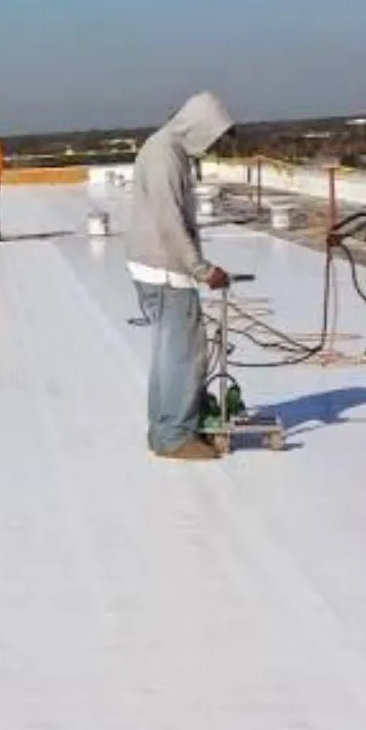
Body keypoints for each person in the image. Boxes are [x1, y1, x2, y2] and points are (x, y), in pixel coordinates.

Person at [125, 91, 234, 461]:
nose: (213, 144)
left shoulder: (167, 150)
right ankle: (175, 436)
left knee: (168, 353)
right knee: (184, 354)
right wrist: (204, 271)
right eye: (213, 136)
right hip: (166, 270)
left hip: (157, 266)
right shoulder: (164, 155)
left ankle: (163, 429)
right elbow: (170, 224)